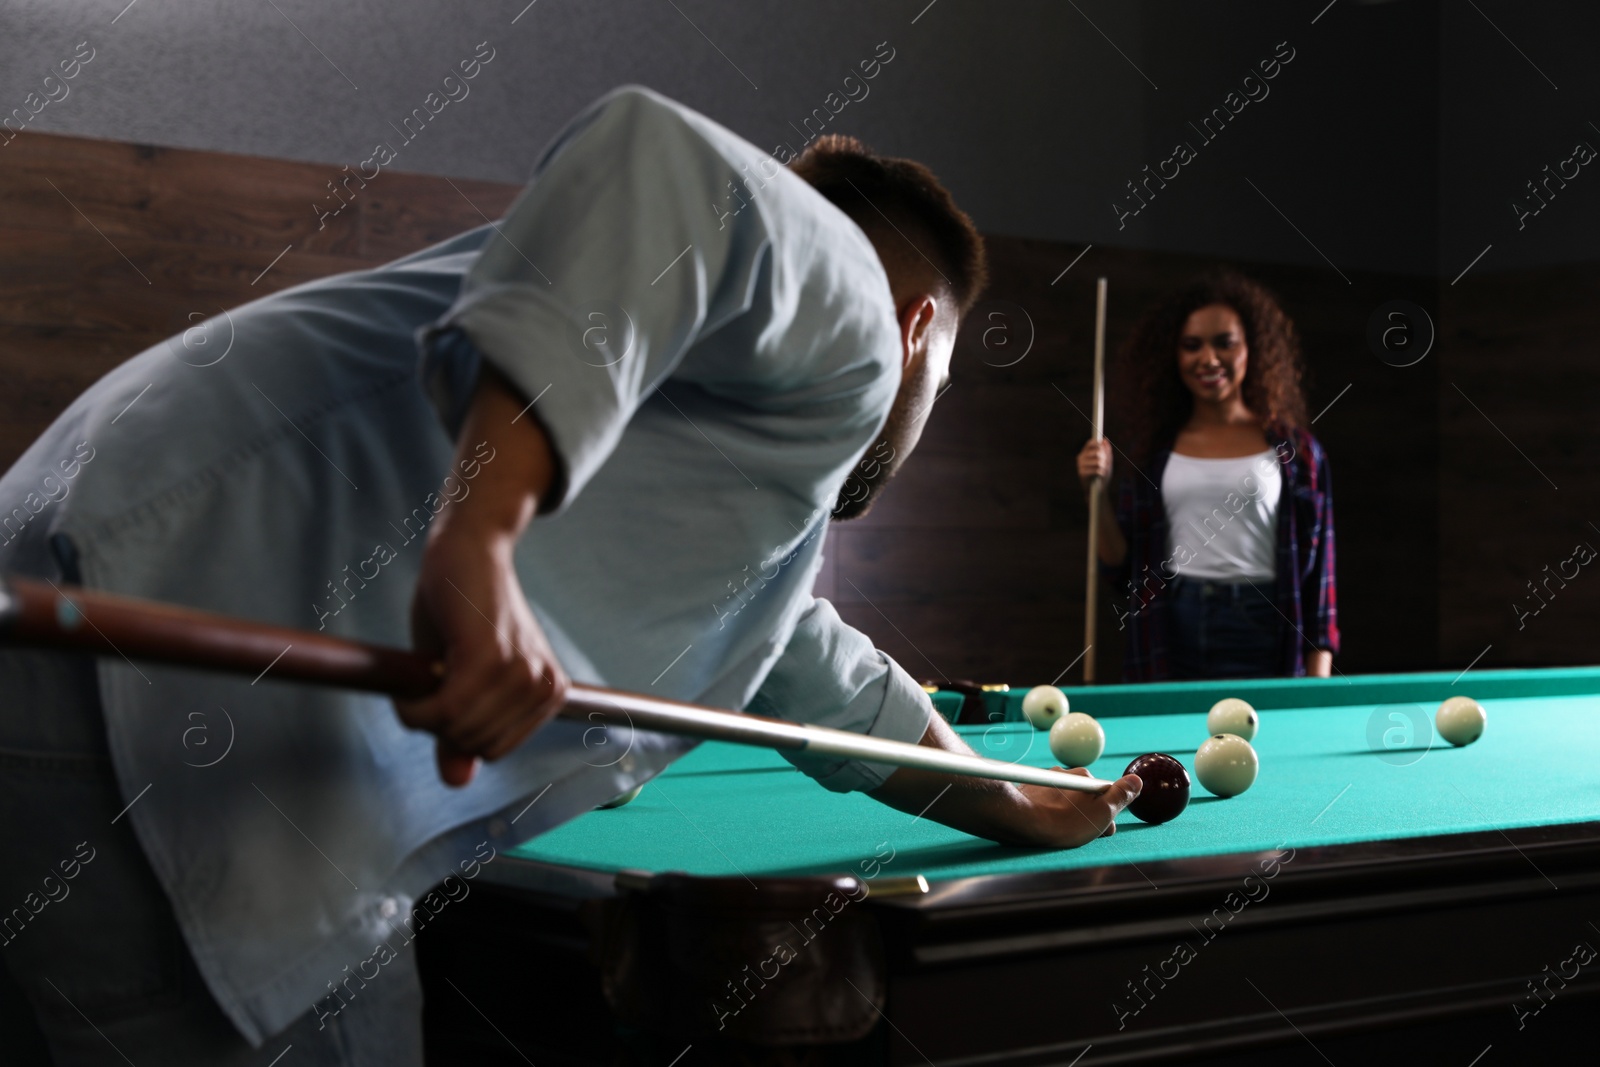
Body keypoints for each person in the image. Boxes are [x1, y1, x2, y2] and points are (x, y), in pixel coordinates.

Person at [0, 87, 1139, 1065]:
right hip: (170, 704)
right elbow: (662, 150)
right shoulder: (848, 321)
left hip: (73, 593)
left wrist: (1007, 798)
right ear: (916, 328)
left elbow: (812, 666)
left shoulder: (717, 441)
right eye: (937, 377)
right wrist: (479, 549)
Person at [1076, 269, 1338, 682]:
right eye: (1191, 346)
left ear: (1251, 349)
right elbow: (1120, 565)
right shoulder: (1156, 451)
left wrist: (1318, 679)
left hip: (1264, 623)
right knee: (1173, 745)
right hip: (1172, 621)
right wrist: (1097, 492)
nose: (1209, 359)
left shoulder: (1298, 451)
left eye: (1224, 343)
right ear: (1174, 356)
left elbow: (1320, 582)